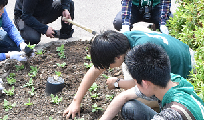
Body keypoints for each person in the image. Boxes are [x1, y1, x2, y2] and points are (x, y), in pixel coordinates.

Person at [63, 29, 194, 119]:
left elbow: (146, 81)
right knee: (128, 101)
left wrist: (117, 83)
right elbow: (96, 69)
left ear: (119, 57)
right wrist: (76, 101)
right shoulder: (122, 40)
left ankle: (156, 105)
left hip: (187, 64)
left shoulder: (141, 53)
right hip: (181, 49)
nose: (107, 69)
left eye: (108, 66)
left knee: (135, 100)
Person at [100, 43, 204, 120]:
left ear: (146, 83)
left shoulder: (170, 115)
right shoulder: (171, 80)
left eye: (136, 82)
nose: (135, 85)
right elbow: (123, 96)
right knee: (130, 108)